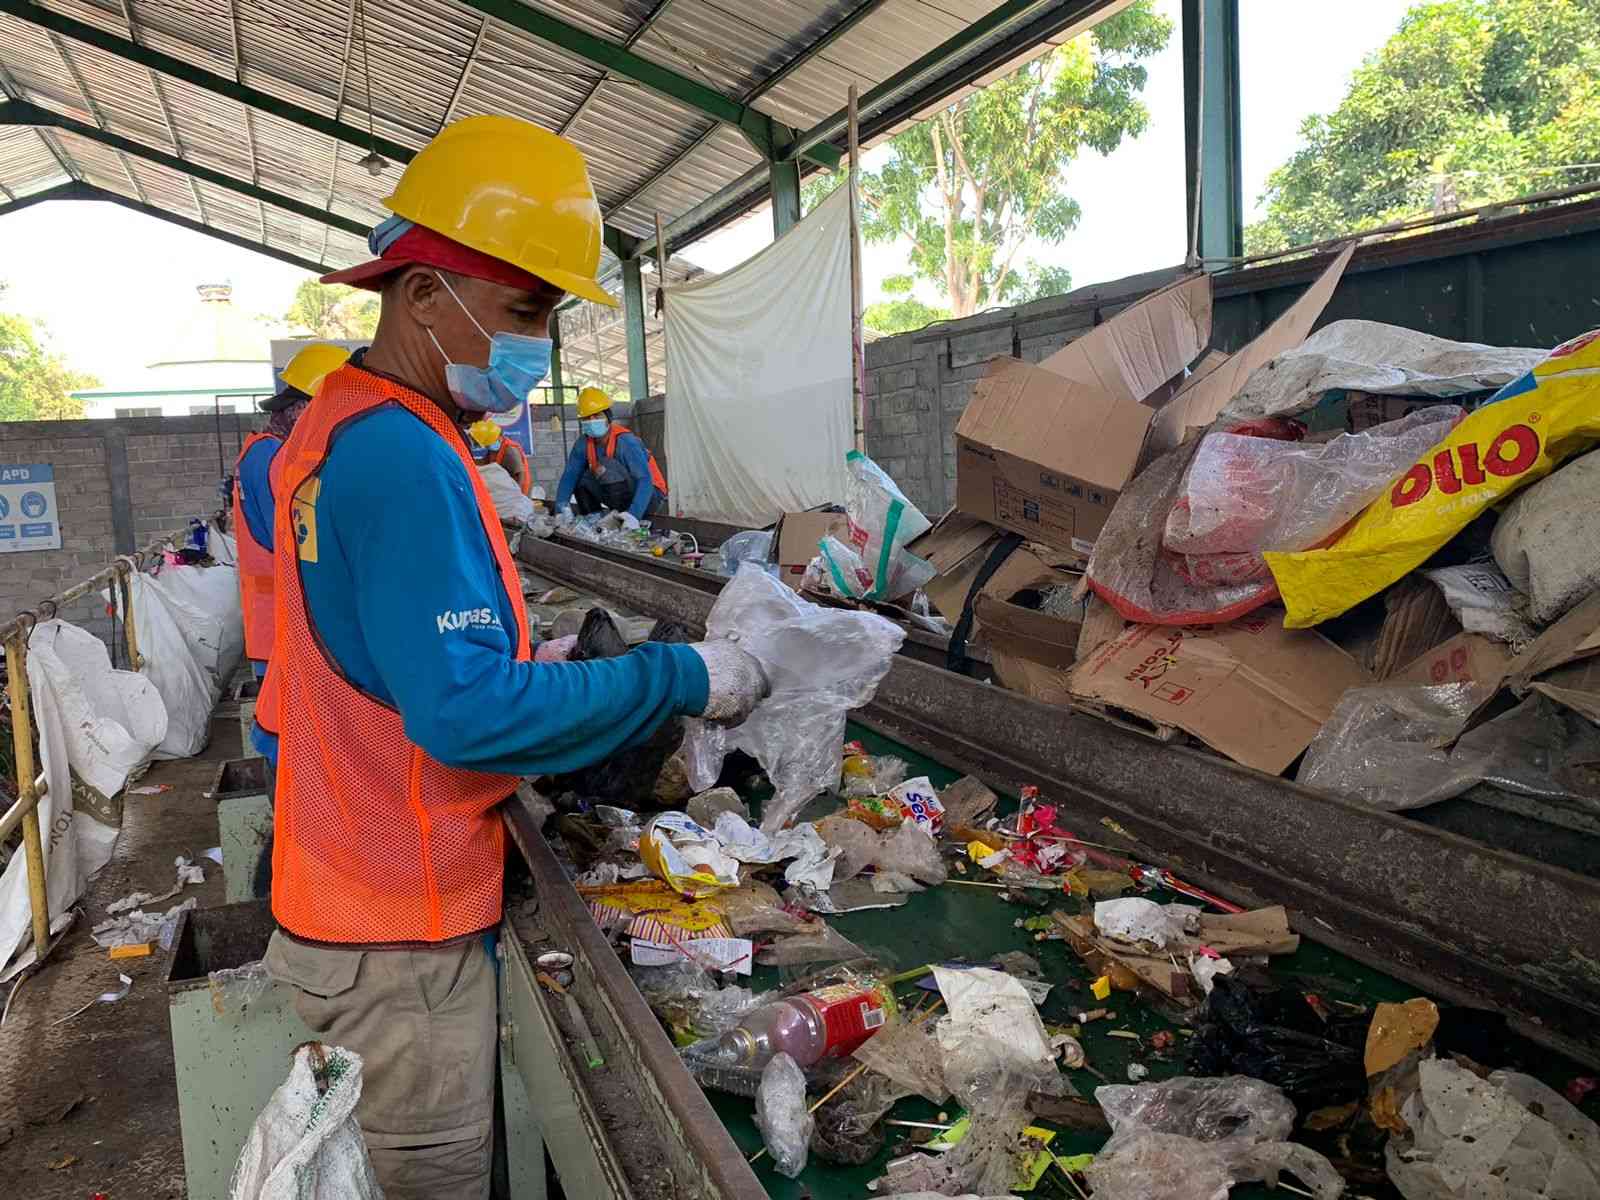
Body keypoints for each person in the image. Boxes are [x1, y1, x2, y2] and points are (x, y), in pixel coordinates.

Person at [255, 114, 766, 1200]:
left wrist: (533, 653)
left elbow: (392, 654)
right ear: (426, 293)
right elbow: (465, 713)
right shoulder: (396, 452)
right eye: (524, 308)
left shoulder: (351, 421)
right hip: (400, 925)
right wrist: (683, 677)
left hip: (351, 883)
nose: (537, 341)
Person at [231, 342, 350, 744]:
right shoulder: (276, 458)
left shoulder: (260, 451)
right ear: (302, 409)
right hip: (280, 615)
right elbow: (289, 537)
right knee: (288, 732)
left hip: (273, 613)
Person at [552, 385, 668, 519]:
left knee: (606, 466)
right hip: (621, 493)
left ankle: (625, 516)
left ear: (608, 416)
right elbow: (569, 476)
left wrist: (633, 516)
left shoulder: (626, 442)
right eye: (587, 418)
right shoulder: (583, 443)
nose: (592, 421)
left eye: (597, 415)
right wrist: (561, 509)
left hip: (650, 495)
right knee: (580, 478)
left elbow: (645, 480)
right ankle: (593, 520)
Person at [467, 417, 532, 495]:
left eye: (487, 445)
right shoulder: (494, 449)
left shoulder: (510, 451)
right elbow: (484, 462)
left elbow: (521, 474)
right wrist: (467, 461)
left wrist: (517, 495)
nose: (486, 447)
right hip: (506, 488)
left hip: (516, 490)